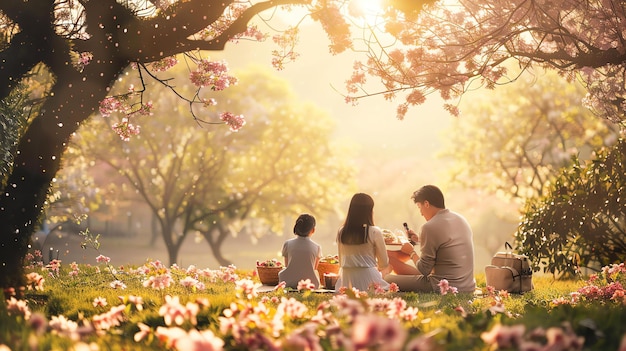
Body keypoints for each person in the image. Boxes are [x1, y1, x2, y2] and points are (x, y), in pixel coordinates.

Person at [385, 185, 476, 293]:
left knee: (386, 279)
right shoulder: (461, 219)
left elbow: (424, 270)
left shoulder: (429, 227)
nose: (421, 213)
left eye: (420, 207)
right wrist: (419, 240)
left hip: (441, 286)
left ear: (426, 204)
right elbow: (445, 246)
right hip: (467, 286)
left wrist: (411, 252)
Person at [335, 193, 390, 291]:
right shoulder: (374, 231)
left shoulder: (341, 231)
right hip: (368, 279)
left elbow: (341, 262)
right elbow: (383, 263)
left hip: (346, 280)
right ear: (369, 211)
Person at [278, 214, 322, 289]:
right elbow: (314, 268)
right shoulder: (317, 247)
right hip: (311, 283)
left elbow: (287, 265)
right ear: (313, 230)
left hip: (287, 281)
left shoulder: (288, 244)